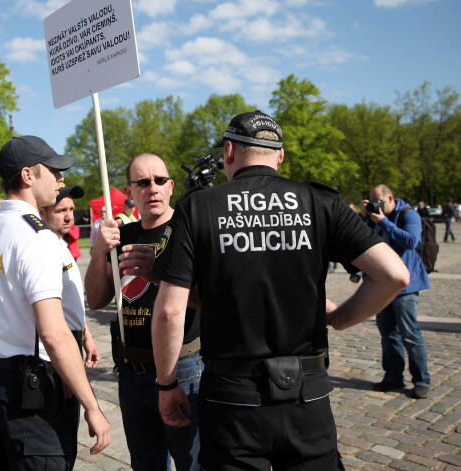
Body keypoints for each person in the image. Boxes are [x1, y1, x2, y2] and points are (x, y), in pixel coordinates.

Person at [151, 110, 409, 469]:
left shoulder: (199, 207)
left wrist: (166, 385)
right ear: (280, 156)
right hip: (308, 391)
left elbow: (169, 311)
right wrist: (340, 318)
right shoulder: (320, 202)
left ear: (228, 151)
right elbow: (395, 275)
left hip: (232, 396)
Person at [0, 135, 110, 469]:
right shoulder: (37, 238)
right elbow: (54, 334)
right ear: (28, 175)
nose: (60, 178)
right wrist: (92, 405)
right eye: (54, 170)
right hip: (31, 388)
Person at [85, 153, 203, 471]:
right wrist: (98, 252)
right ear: (130, 191)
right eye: (142, 182)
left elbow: (211, 300)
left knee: (191, 462)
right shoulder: (123, 236)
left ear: (170, 186)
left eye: (159, 180)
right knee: (146, 464)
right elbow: (95, 300)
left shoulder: (190, 230)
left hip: (183, 368)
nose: (152, 188)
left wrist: (158, 273)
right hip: (131, 371)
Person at [364, 184, 431, 399]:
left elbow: (412, 241)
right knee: (388, 334)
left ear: (390, 198)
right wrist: (366, 217)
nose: (376, 206)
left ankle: (421, 380)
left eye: (379, 202)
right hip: (381, 285)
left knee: (410, 334)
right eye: (373, 201)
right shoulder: (373, 217)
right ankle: (393, 377)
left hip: (405, 286)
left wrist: (383, 222)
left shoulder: (408, 214)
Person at [38, 184, 99, 367]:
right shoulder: (43, 249)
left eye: (71, 209)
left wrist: (86, 336)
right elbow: (49, 316)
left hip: (73, 339)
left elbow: (71, 301)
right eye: (61, 210)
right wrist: (64, 364)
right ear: (43, 213)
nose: (69, 217)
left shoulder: (60, 244)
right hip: (58, 349)